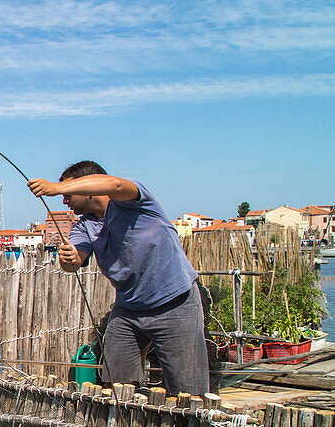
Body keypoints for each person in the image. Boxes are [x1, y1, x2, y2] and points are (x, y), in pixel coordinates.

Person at [26, 161, 208, 395]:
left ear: (89, 188)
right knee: (116, 385)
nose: (64, 200)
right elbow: (74, 263)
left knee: (189, 390)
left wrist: (55, 187)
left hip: (174, 302)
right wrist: (68, 258)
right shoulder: (84, 226)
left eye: (68, 193)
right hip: (128, 309)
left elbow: (112, 182)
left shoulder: (134, 202)